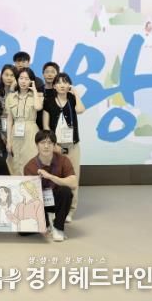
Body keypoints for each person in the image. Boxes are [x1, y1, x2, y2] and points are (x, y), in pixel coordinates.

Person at [42, 73, 85, 222]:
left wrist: (76, 93)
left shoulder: (72, 99)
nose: (62, 85)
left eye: (65, 82)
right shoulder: (48, 101)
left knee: (73, 177)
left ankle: (71, 211)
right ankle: (56, 209)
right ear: (54, 86)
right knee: (55, 177)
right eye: (59, 82)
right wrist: (53, 145)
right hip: (56, 147)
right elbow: (46, 126)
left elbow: (80, 110)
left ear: (69, 86)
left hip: (72, 145)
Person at [23, 130, 77, 242]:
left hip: (57, 200)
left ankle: (58, 227)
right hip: (40, 202)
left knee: (66, 191)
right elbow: (30, 195)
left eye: (50, 143)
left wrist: (51, 177)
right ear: (37, 145)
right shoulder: (30, 166)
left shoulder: (63, 160)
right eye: (42, 142)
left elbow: (73, 183)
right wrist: (42, 221)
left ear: (54, 145)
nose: (46, 146)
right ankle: (46, 220)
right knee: (23, 232)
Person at [5, 68, 43, 176]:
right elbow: (9, 120)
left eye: (27, 79)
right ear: (17, 80)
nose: (23, 81)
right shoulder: (10, 97)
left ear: (31, 81)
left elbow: (38, 107)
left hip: (31, 131)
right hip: (15, 132)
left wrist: (34, 91)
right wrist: (8, 141)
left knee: (31, 161)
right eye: (21, 78)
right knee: (16, 162)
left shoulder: (37, 96)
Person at [0, 64, 17, 144]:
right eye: (6, 75)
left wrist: (11, 90)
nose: (9, 78)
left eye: (12, 75)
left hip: (15, 131)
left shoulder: (19, 93)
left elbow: (11, 110)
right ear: (2, 76)